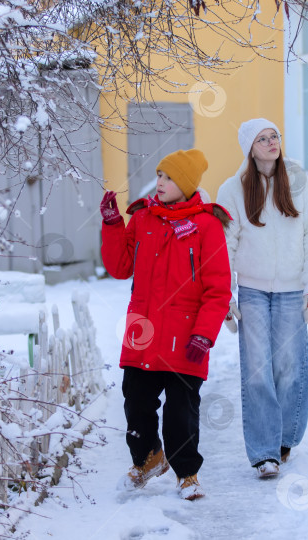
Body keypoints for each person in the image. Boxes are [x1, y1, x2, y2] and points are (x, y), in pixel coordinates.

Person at [99, 148, 232, 500]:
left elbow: (218, 290)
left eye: (168, 177)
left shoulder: (207, 225)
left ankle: (187, 473)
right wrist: (114, 225)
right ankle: (148, 459)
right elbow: (120, 267)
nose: (159, 182)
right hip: (143, 333)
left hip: (186, 338)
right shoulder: (143, 218)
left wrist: (204, 335)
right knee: (135, 404)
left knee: (180, 415)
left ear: (186, 185)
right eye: (159, 174)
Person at [216, 118, 308, 479]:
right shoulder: (232, 190)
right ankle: (265, 452)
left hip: (291, 291)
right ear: (249, 147)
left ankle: (285, 439)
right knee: (257, 372)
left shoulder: (301, 183)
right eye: (263, 139)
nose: (271, 143)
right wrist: (225, 296)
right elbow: (224, 247)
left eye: (275, 136)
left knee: (291, 369)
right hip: (251, 291)